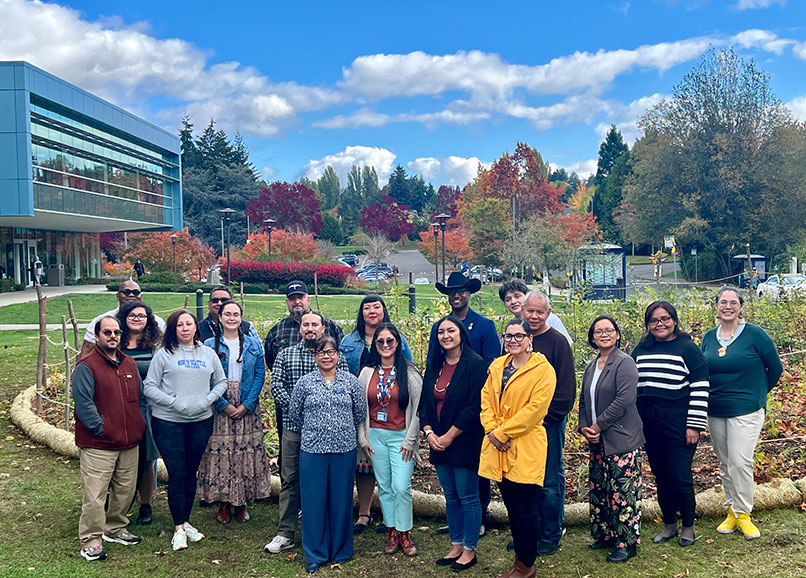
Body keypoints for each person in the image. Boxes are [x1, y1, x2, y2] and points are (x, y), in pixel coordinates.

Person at [701, 286, 782, 539]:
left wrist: (757, 393)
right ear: (716, 306)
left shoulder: (755, 335)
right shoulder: (708, 337)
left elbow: (775, 368)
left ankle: (744, 513)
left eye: (733, 302)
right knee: (725, 464)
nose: (727, 306)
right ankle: (732, 512)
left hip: (746, 409)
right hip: (715, 409)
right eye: (723, 302)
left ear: (741, 306)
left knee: (740, 461)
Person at [265, 311, 349, 555]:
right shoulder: (286, 354)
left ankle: (325, 532)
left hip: (327, 433)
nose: (310, 328)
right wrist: (298, 411)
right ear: (299, 328)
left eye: (315, 324)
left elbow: (345, 385)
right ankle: (285, 533)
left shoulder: (334, 356)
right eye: (306, 324)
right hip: (294, 428)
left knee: (324, 482)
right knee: (290, 479)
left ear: (323, 328)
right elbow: (276, 385)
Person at [143, 309, 227, 551]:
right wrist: (173, 402)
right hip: (169, 422)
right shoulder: (164, 355)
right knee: (177, 472)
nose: (185, 328)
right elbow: (149, 387)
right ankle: (178, 528)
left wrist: (207, 400)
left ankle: (186, 520)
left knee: (191, 473)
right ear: (173, 329)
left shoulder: (208, 353)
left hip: (200, 421)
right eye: (180, 325)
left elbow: (221, 382)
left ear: (195, 327)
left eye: (189, 324)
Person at [479, 319, 556, 578]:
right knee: (512, 505)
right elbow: (486, 400)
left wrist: (501, 432)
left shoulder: (543, 370)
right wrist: (491, 430)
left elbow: (535, 410)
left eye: (519, 336)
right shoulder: (497, 366)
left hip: (524, 445)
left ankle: (526, 566)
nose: (513, 340)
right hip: (498, 445)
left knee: (525, 508)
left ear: (529, 340)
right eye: (508, 336)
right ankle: (519, 561)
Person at [426, 272, 500, 535]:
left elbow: (493, 365)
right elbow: (432, 365)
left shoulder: (484, 325)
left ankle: (480, 514)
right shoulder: (439, 327)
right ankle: (458, 520)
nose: (456, 295)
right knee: (451, 477)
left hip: (473, 404)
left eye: (461, 291)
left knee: (474, 468)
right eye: (451, 291)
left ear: (469, 293)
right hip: (443, 406)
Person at [631, 300, 709, 547]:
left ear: (674, 320)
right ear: (648, 324)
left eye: (664, 319)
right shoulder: (641, 349)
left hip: (679, 420)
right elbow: (631, 384)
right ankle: (668, 525)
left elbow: (700, 387)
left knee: (680, 475)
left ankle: (688, 526)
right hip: (649, 422)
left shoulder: (688, 348)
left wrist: (694, 425)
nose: (660, 324)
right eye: (654, 320)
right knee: (661, 474)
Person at [288, 336, 366, 573]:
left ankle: (340, 550)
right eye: (321, 352)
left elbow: (360, 412)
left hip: (344, 449)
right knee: (313, 501)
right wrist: (317, 430)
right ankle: (315, 553)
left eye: (331, 352)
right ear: (315, 356)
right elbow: (294, 414)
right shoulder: (305, 383)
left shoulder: (350, 382)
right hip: (313, 449)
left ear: (338, 355)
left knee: (340, 500)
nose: (326, 356)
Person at [72, 316, 146, 561]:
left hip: (129, 441)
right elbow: (83, 405)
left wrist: (138, 424)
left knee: (125, 490)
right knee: (95, 495)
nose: (112, 336)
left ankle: (114, 528)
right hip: (99, 444)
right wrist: (102, 428)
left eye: (116, 332)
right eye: (107, 332)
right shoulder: (86, 366)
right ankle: (91, 540)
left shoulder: (128, 364)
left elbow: (140, 397)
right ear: (97, 336)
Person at [339, 294, 414, 535]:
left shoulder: (401, 348)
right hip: (364, 417)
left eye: (377, 306)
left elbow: (411, 382)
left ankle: (395, 524)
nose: (372, 310)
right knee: (368, 469)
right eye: (367, 307)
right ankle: (367, 514)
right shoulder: (350, 342)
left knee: (397, 480)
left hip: (397, 423)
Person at [419, 315, 488, 572]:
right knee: (450, 497)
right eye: (440, 332)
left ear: (460, 334)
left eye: (450, 330)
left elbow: (475, 406)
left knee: (468, 496)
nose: (445, 336)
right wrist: (428, 433)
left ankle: (470, 549)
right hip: (437, 441)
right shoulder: (435, 364)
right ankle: (456, 544)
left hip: (464, 440)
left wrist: (449, 435)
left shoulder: (475, 364)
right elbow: (425, 403)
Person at [199, 300, 271, 524]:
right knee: (221, 452)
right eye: (227, 314)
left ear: (241, 318)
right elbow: (205, 377)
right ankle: (223, 502)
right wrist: (223, 404)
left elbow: (260, 373)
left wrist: (247, 404)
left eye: (236, 314)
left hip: (246, 400)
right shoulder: (208, 345)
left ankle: (241, 502)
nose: (231, 318)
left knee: (243, 451)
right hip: (219, 402)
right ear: (219, 318)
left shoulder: (252, 344)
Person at [579, 315, 644, 563]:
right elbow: (584, 400)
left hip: (621, 439)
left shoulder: (625, 363)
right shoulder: (591, 365)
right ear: (592, 337)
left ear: (617, 334)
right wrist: (585, 426)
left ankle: (627, 543)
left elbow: (624, 401)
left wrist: (599, 425)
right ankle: (605, 535)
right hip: (597, 439)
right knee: (601, 490)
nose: (604, 334)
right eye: (598, 331)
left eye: (609, 330)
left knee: (623, 492)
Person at [356, 322, 422, 556]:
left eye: (390, 341)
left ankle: (405, 533)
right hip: (376, 437)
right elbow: (359, 409)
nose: (385, 345)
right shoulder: (367, 372)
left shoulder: (410, 372)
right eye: (380, 341)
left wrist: (410, 441)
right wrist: (363, 438)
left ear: (397, 344)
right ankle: (392, 531)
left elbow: (418, 410)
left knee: (401, 486)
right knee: (384, 487)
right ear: (375, 345)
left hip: (401, 436)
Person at [519, 291, 576, 555]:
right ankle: (530, 531)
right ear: (523, 310)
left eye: (540, 312)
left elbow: (566, 389)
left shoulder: (557, 342)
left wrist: (545, 418)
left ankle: (551, 533)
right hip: (518, 425)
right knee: (524, 479)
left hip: (547, 423)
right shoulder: (516, 339)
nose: (534, 316)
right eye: (530, 311)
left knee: (550, 479)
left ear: (548, 314)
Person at [264, 280, 344, 455]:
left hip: (326, 412)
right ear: (287, 301)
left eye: (300, 297)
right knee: (288, 458)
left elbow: (341, 365)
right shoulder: (277, 331)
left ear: (308, 299)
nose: (297, 301)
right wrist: (294, 406)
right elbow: (271, 363)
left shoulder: (330, 327)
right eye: (292, 298)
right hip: (288, 412)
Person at [116, 302, 163, 527]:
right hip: (118, 407)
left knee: (146, 458)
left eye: (142, 316)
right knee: (120, 456)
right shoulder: (117, 343)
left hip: (146, 408)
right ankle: (119, 503)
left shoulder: (155, 345)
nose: (137, 319)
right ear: (124, 318)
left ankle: (145, 504)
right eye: (132, 315)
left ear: (148, 319)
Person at [81, 279, 165, 358]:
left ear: (141, 296)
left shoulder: (157, 321)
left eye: (135, 292)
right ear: (118, 296)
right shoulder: (101, 320)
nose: (131, 295)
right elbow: (87, 350)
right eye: (126, 292)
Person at [498, 280, 572, 347]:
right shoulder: (512, 327)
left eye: (517, 296)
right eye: (508, 299)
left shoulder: (550, 319)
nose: (513, 302)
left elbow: (566, 346)